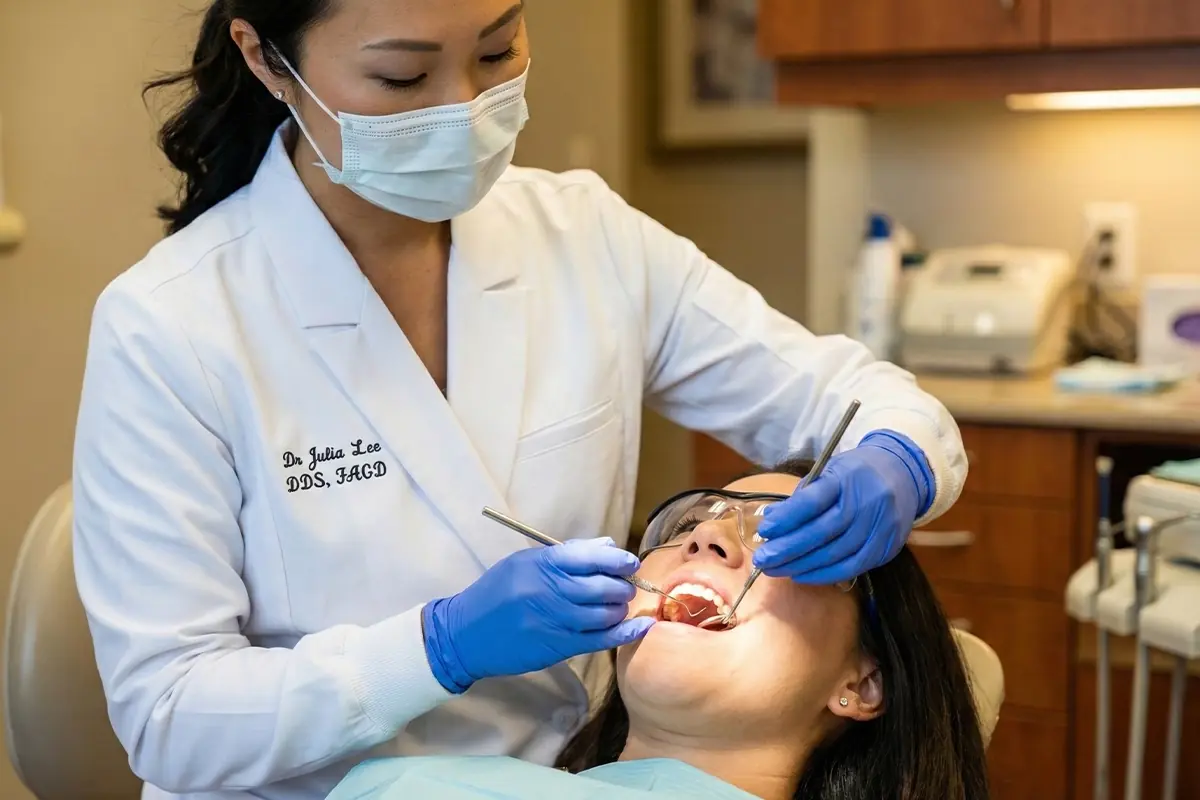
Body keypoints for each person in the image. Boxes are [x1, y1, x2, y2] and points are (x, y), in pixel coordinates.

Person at [71, 0, 967, 798]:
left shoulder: (587, 239)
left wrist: (898, 459)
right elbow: (170, 716)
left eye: (497, 52)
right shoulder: (172, 323)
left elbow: (861, 401)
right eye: (403, 75)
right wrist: (438, 647)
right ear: (267, 58)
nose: (464, 104)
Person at [322, 459, 991, 799]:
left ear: (864, 682)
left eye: (780, 539)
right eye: (692, 523)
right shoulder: (408, 789)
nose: (705, 538)